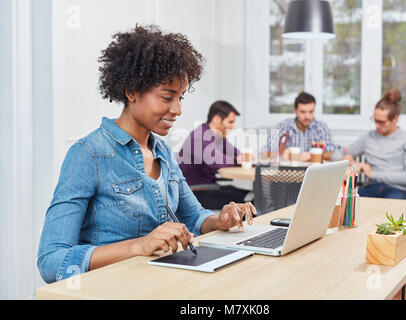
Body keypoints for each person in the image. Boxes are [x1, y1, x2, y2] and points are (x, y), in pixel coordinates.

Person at [37, 25, 256, 284]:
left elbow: (194, 216)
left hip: (163, 282)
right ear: (132, 91)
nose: (177, 109)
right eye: (167, 97)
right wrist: (139, 246)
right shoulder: (88, 155)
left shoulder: (161, 150)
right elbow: (50, 261)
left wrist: (220, 219)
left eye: (181, 98)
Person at [341, 89, 406, 199]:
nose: (377, 125)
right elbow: (340, 152)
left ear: (395, 119)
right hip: (371, 188)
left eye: (382, 122)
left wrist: (373, 174)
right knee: (349, 204)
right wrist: (346, 159)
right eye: (375, 120)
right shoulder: (369, 137)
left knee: (390, 210)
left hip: (397, 190)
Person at [177, 101, 251, 209]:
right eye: (230, 122)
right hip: (195, 193)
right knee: (247, 202)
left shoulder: (219, 136)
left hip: (209, 187)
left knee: (251, 195)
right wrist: (238, 160)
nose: (233, 126)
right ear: (216, 119)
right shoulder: (199, 136)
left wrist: (241, 157)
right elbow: (216, 161)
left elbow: (236, 153)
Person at [263, 91, 336, 161]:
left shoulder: (321, 127)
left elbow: (330, 153)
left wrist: (312, 155)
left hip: (314, 172)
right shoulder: (281, 126)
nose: (307, 116)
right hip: (288, 172)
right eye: (303, 112)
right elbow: (265, 153)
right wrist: (281, 154)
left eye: (311, 112)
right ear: (295, 111)